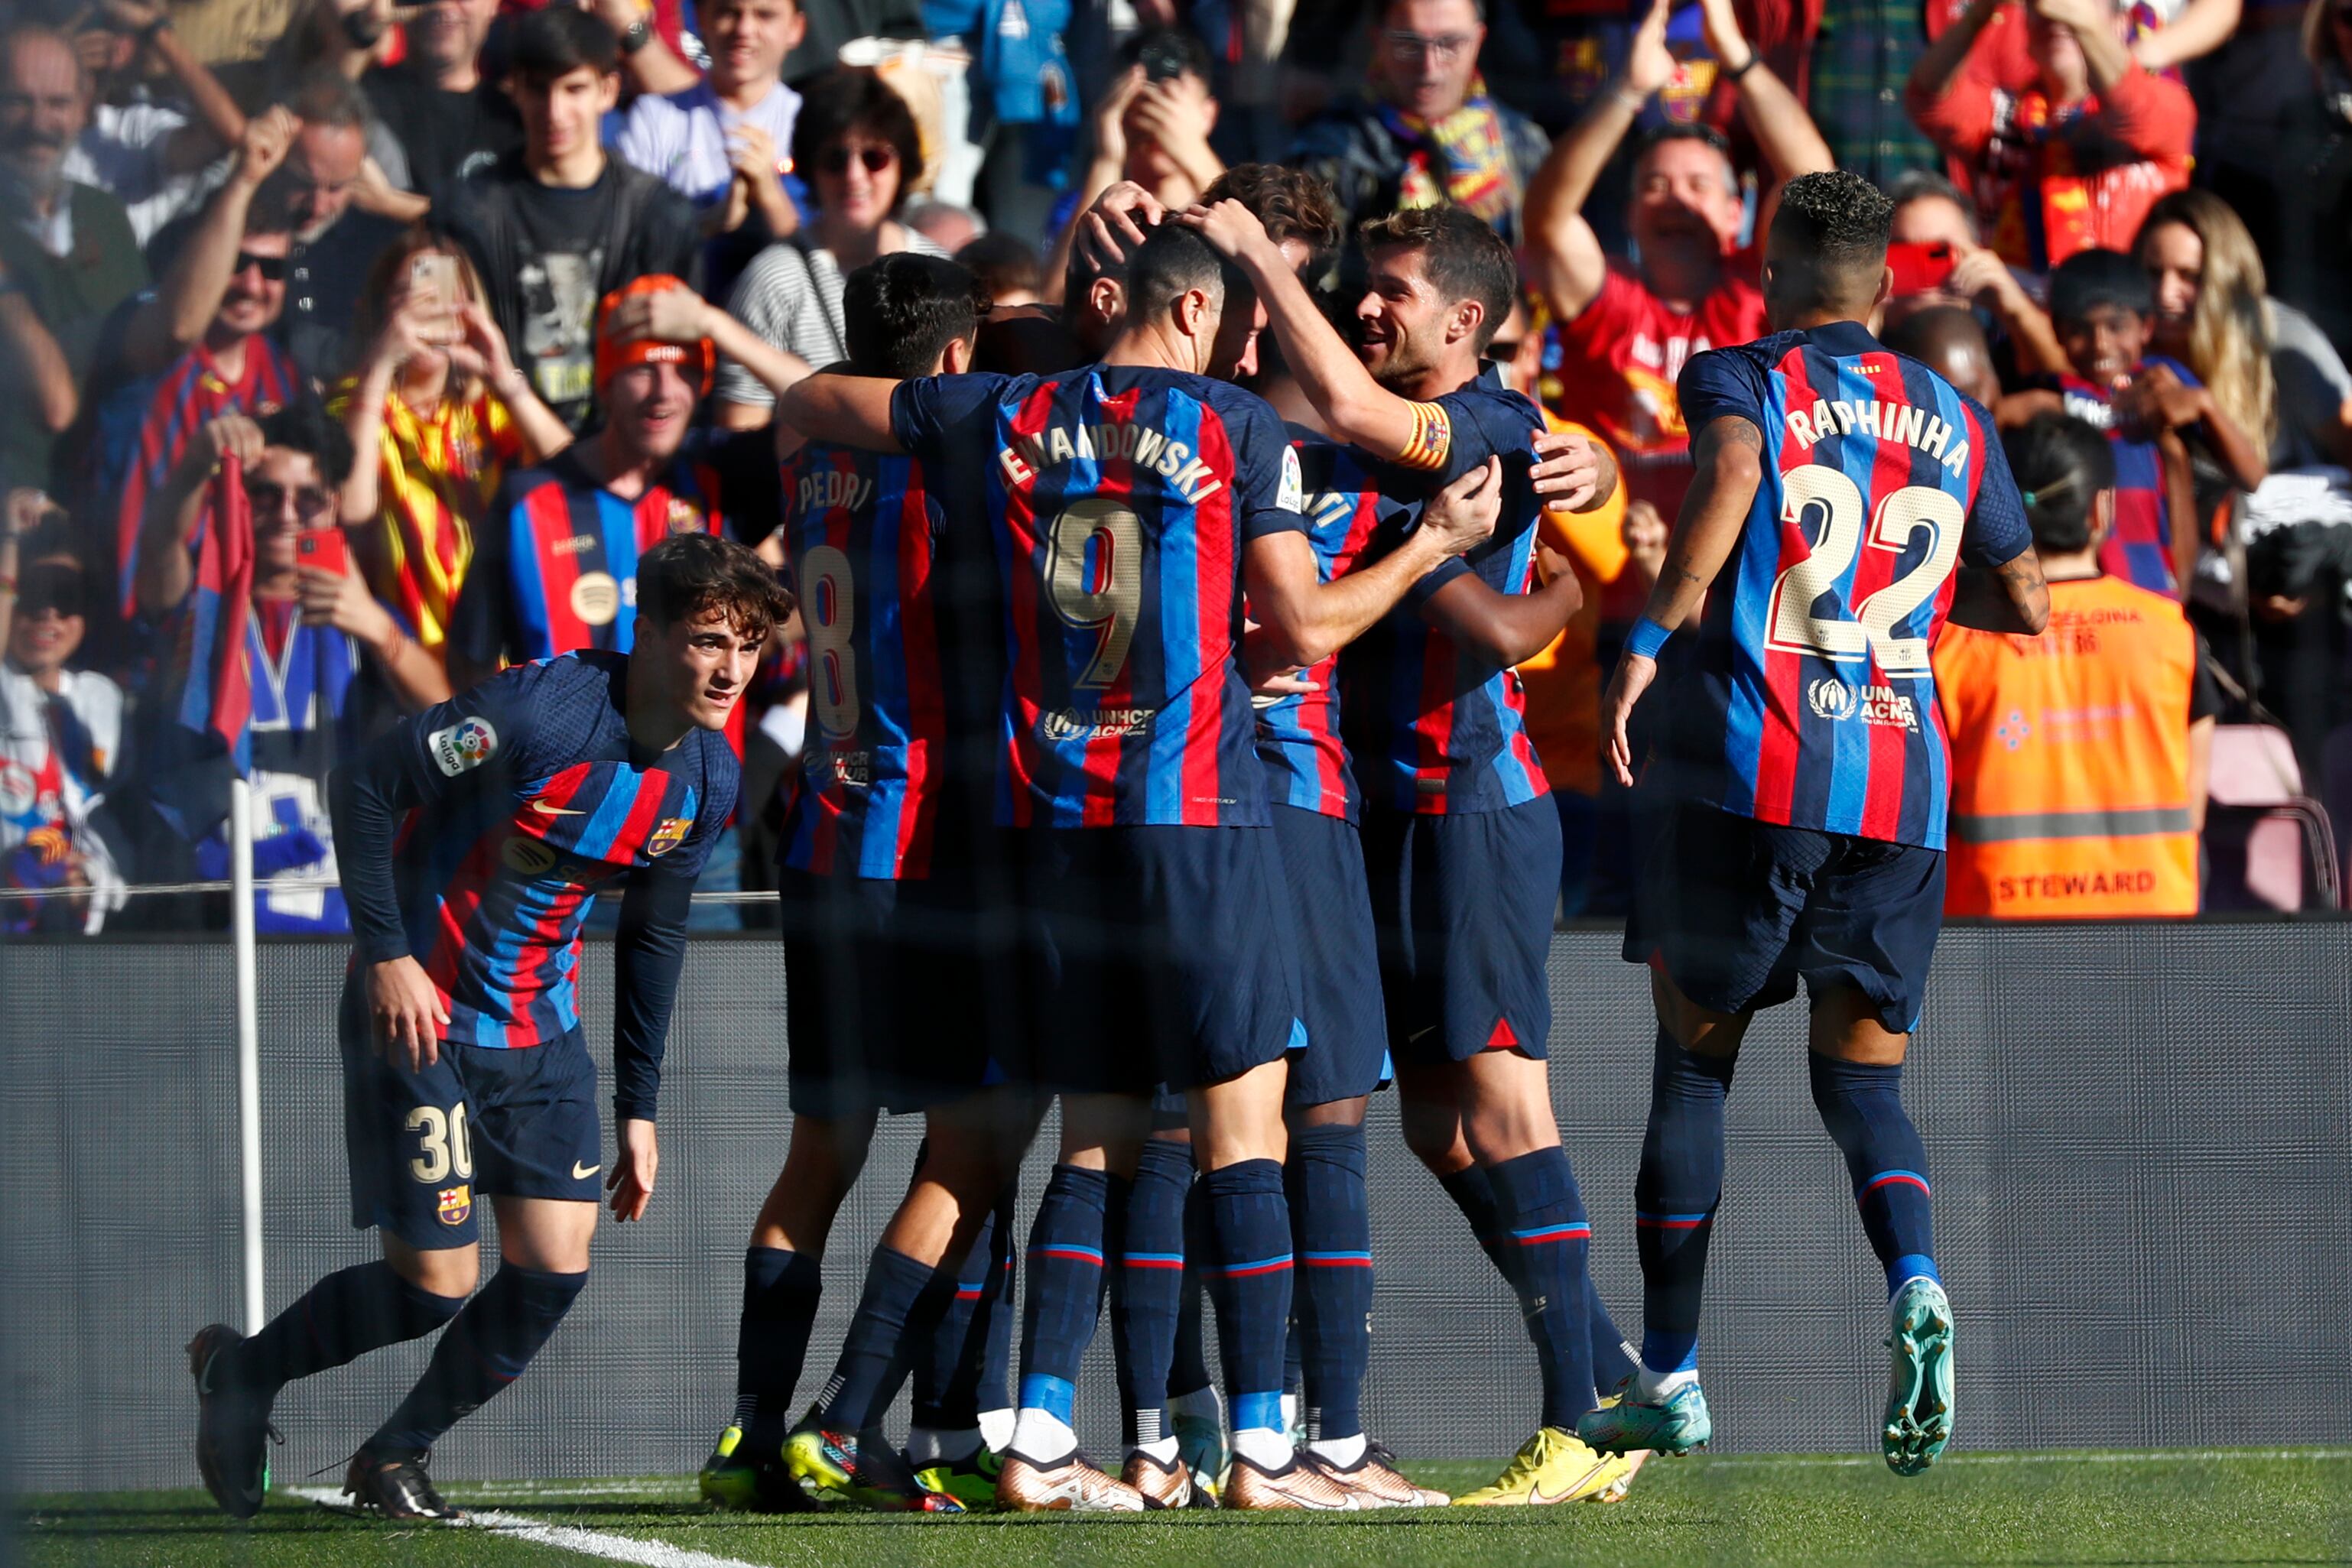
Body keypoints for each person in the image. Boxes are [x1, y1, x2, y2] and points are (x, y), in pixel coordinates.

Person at [777, 218, 1496, 1512]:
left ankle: (1039, 1437)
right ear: (1192, 315)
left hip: (1049, 825)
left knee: (1099, 1134)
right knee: (1244, 1128)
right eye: (1227, 326)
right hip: (1192, 818)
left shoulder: (995, 408)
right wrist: (1434, 545)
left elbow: (812, 397)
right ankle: (1269, 1451)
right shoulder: (1231, 425)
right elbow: (1309, 623)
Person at [1575, 169, 2049, 1478]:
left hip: (1754, 769)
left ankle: (1669, 1373)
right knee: (1861, 1082)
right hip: (1905, 790)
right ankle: (1914, 1277)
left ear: (1770, 270)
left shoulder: (1743, 373)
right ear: (1888, 288)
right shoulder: (1954, 410)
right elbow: (2021, 591)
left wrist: (1651, 633)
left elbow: (1730, 471)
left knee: (1695, 1067)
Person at [187, 531, 786, 1520]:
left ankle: (394, 1454)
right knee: (433, 1281)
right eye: (709, 640)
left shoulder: (710, 780)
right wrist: (385, 955)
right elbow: (365, 787)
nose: (731, 669)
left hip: (540, 1038)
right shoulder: (538, 709)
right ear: (649, 632)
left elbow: (655, 935)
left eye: (750, 648)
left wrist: (640, 1104)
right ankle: (242, 1372)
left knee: (556, 1260)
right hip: (419, 1014)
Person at [1189, 195, 1636, 1507]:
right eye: (1358, 285)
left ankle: (1583, 1420)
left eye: (1390, 291)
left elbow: (1481, 603)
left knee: (1504, 1111)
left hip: (1470, 808)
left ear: (1465, 320)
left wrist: (1262, 258)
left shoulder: (1484, 429)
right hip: (1376, 813)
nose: (1365, 307)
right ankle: (1607, 1373)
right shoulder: (1375, 443)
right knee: (1443, 1131)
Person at [710, 253, 1025, 1517]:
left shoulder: (809, 446)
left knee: (822, 1154)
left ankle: (750, 1434)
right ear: (954, 362)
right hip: (922, 846)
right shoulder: (945, 462)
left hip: (824, 844)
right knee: (976, 1145)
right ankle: (847, 1425)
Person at [132, 402, 450, 932]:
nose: (285, 513)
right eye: (265, 494)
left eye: (308, 499)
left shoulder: (366, 618)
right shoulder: (205, 607)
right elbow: (159, 562)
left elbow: (451, 718)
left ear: (333, 509)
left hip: (344, 921)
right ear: (235, 499)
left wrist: (378, 628)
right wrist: (193, 467)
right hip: (220, 918)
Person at [1524, 0, 1832, 526]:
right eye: (1656, 185)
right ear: (1629, 214)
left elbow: (1816, 187)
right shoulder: (1607, 296)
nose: (1676, 201)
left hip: (1737, 569)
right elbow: (1546, 220)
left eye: (1698, 186)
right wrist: (1627, 90)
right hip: (1611, 574)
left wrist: (1738, 57)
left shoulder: (1762, 290)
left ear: (1737, 213)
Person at [446, 276, 790, 689]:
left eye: (683, 370)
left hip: (703, 754)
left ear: (703, 385)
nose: (663, 393)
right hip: (566, 754)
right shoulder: (527, 501)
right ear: (605, 383)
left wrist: (711, 323)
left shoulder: (721, 478)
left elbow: (825, 416)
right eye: (643, 369)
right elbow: (471, 663)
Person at [1935, 413, 2216, 917]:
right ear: (2101, 510)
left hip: (1994, 927)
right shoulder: (2173, 631)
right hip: (2155, 924)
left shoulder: (1954, 641)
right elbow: (2192, 805)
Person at [435, 5, 698, 430]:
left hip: (621, 448)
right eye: (539, 90)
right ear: (515, 89)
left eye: (574, 89)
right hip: (499, 446)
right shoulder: (467, 211)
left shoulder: (658, 213)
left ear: (608, 91)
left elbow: (679, 362)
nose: (555, 112)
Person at [89, 109, 304, 629]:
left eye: (271, 268)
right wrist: (243, 181)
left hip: (233, 633)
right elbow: (180, 325)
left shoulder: (284, 375)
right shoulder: (146, 334)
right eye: (237, 261)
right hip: (127, 631)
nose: (253, 285)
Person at [330, 229, 573, 660]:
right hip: (405, 657)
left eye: (444, 294)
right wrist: (382, 363)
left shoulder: (489, 408)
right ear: (383, 311)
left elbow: (579, 478)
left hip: (498, 658)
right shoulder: (354, 404)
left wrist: (504, 377)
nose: (430, 309)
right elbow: (349, 506)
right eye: (410, 295)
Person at [2009, 248, 2265, 596]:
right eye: (2080, 330)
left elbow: (2251, 476)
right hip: (2080, 584)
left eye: (2116, 327)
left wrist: (2205, 406)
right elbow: (2001, 414)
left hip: (2156, 580)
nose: (2100, 345)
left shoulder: (2162, 383)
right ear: (2056, 331)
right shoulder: (2050, 394)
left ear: (2146, 328)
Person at [715, 68, 945, 430]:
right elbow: (741, 428)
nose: (855, 175)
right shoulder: (774, 277)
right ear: (810, 168)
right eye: (835, 160)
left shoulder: (938, 269)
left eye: (875, 157)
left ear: (904, 165)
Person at [1906, 0, 2194, 272]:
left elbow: (2131, 108)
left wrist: (2084, 24)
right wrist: (1979, 14)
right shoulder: (2004, 119)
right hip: (2013, 317)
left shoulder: (2167, 105)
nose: (2057, 15)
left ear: (2122, 25)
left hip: (2123, 318)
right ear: (2026, 32)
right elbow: (1926, 100)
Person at [0, 24, 148, 497]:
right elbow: (52, 407)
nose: (38, 122)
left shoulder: (102, 214)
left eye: (58, 103)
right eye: (18, 101)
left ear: (84, 110)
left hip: (103, 497)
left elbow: (141, 352)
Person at [1287, 0, 1551, 245]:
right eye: (1408, 44)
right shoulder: (1333, 149)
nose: (1429, 69)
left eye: (1450, 44)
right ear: (1378, 40)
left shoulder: (1521, 144)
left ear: (1478, 39)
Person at [2136, 187, 2352, 474]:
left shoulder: (2285, 342)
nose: (2165, 294)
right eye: (2153, 273)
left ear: (2227, 280)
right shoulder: (2122, 342)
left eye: (2190, 276)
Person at [0, 499, 126, 935]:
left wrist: (85, 879)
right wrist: (12, 540)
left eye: (67, 595)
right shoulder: (5, 684)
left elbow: (108, 820)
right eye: (32, 593)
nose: (48, 612)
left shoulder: (102, 697)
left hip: (74, 935)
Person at [1044, 29, 1225, 304]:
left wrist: (1192, 149)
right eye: (1142, 102)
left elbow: (1265, 267)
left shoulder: (1230, 207)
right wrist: (1107, 159)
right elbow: (1054, 299)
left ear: (1208, 114)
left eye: (1172, 104)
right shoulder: (1084, 206)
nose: (1158, 118)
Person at [60, 0, 248, 246]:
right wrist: (51, 56)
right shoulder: (17, 125)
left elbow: (229, 133)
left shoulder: (134, 130)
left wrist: (155, 30)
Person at [615, 0, 805, 242]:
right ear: (702, 18)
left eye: (765, 15)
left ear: (795, 28)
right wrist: (710, 222)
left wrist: (771, 197)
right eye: (729, 12)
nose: (744, 29)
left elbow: (835, 259)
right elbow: (627, 236)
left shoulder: (809, 122)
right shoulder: (653, 118)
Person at [1883, 170, 2068, 378]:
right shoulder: (1858, 340)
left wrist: (2016, 309)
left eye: (1938, 255)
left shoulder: (2004, 335)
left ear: (1975, 253)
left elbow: (2072, 386)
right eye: (1904, 256)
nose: (1925, 275)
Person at [359, 0, 522, 196]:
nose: (443, 6)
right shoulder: (359, 99)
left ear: (494, 5)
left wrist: (392, 205)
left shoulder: (518, 119)